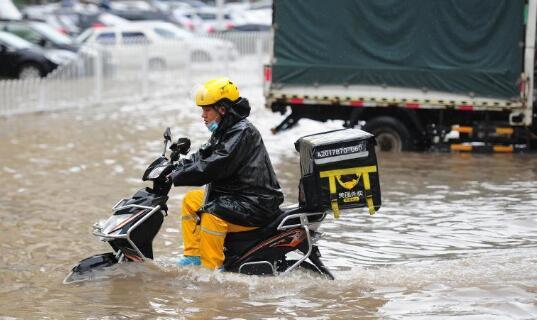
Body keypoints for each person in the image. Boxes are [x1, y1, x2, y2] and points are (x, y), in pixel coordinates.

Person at [169, 77, 284, 270]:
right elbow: (203, 155)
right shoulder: (226, 129)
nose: (203, 115)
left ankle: (211, 270)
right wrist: (175, 167)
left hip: (256, 202)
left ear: (222, 109)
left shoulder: (242, 132)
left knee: (211, 213)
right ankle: (194, 256)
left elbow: (215, 165)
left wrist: (176, 177)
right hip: (238, 195)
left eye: (207, 110)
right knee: (191, 201)